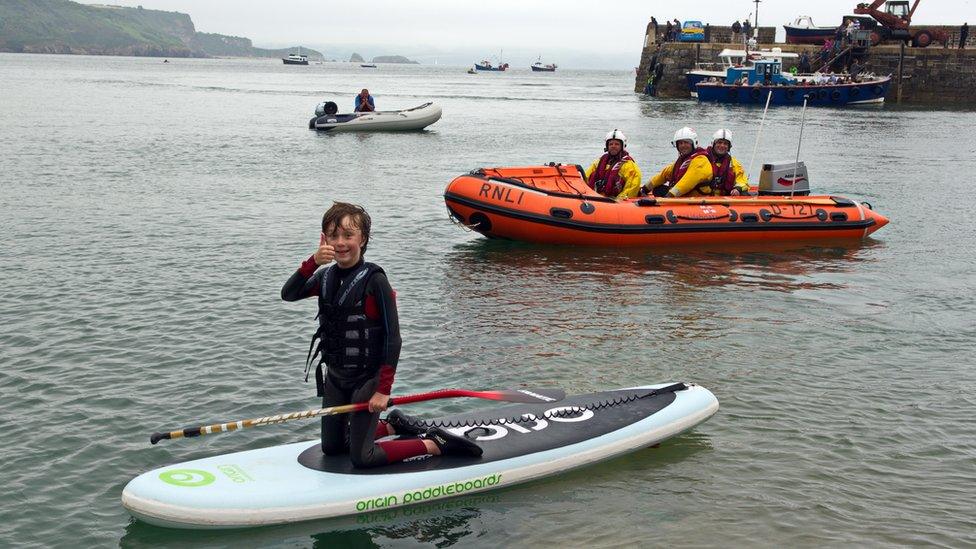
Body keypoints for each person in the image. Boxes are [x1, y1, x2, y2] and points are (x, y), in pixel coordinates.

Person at [281, 202, 482, 468]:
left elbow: (393, 337)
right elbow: (289, 294)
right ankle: (391, 426)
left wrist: (382, 390)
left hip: (368, 380)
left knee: (362, 458)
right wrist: (312, 262)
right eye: (333, 235)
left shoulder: (375, 281)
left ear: (362, 239)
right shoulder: (324, 277)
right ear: (324, 238)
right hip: (336, 377)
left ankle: (434, 444)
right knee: (332, 448)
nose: (340, 243)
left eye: (348, 235)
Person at [641, 127, 709, 198]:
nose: (683, 145)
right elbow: (664, 174)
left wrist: (669, 196)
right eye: (680, 143)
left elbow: (687, 182)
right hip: (686, 196)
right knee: (658, 189)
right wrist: (645, 189)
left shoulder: (700, 161)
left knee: (662, 191)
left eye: (686, 142)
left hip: (697, 197)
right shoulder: (683, 161)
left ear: (693, 143)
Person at [585, 129, 642, 199]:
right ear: (607, 146)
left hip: (614, 200)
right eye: (611, 144)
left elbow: (632, 187)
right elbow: (586, 177)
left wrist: (618, 201)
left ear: (622, 146)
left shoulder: (628, 165)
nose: (613, 146)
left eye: (617, 144)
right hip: (596, 198)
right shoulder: (599, 162)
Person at [703, 129, 749, 196]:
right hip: (703, 197)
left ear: (729, 147)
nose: (722, 146)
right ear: (713, 144)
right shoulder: (703, 159)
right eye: (719, 142)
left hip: (724, 198)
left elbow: (742, 181)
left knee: (744, 193)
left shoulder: (733, 163)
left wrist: (737, 189)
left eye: (725, 144)